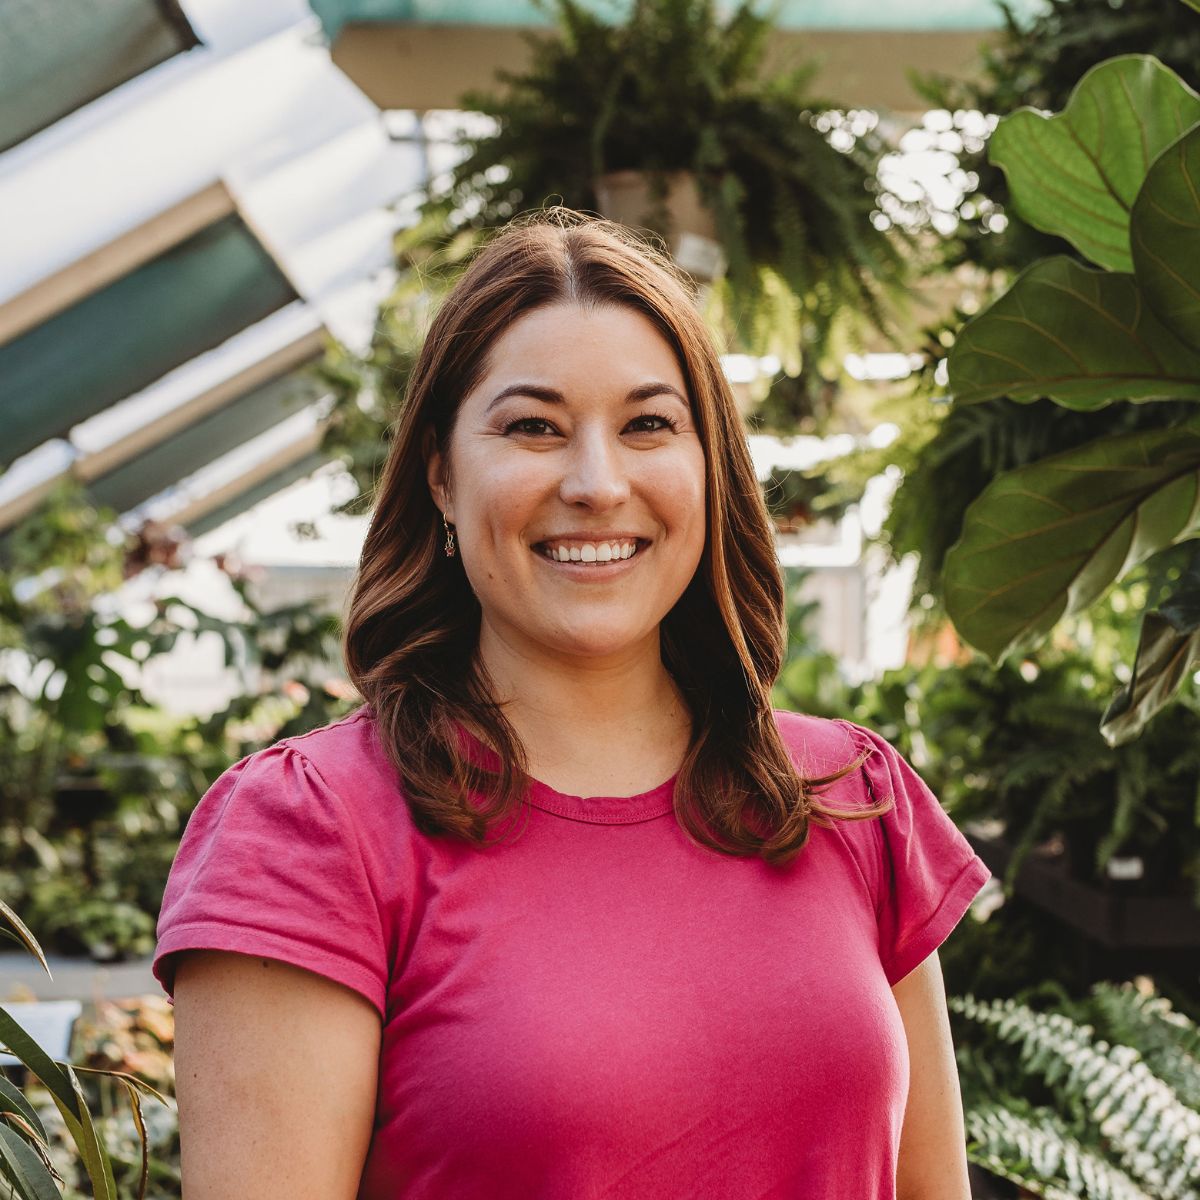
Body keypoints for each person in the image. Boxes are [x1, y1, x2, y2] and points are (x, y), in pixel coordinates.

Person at [154, 211, 991, 1200]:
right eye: (533, 428)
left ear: (710, 466)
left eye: (648, 424)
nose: (598, 483)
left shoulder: (852, 799)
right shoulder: (310, 832)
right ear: (441, 476)